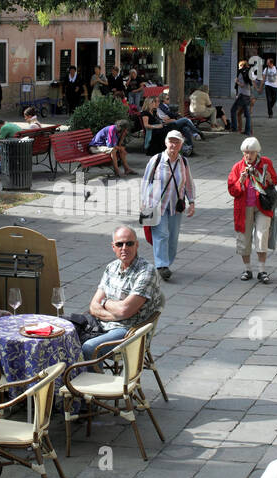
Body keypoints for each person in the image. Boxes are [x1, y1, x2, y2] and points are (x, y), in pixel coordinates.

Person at [77, 225, 165, 358]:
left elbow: (124, 310)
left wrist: (105, 302)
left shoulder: (147, 271)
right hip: (101, 325)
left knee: (90, 348)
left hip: (129, 330)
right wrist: (116, 313)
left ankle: (96, 378)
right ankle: (79, 377)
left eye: (129, 243)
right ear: (113, 247)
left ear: (137, 245)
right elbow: (93, 306)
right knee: (65, 339)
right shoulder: (111, 268)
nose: (124, 248)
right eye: (119, 244)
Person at [141, 131, 196, 281]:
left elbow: (188, 183)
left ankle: (167, 262)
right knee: (162, 234)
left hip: (175, 206)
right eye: (171, 141)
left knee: (172, 237)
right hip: (156, 204)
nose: (173, 144)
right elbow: (146, 181)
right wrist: (143, 202)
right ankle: (162, 265)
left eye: (177, 142)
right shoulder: (157, 159)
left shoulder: (183, 162)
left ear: (181, 145)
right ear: (166, 143)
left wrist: (191, 201)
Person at [227, 136, 277, 283]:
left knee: (262, 235)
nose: (248, 156)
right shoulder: (238, 167)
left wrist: (268, 179)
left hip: (263, 205)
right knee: (244, 237)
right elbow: (232, 190)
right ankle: (247, 269)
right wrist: (240, 181)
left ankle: (262, 270)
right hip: (244, 207)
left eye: (251, 153)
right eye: (245, 153)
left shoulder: (266, 163)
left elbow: (274, 181)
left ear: (257, 152)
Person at [232, 61, 255, 137]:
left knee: (233, 110)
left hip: (242, 95)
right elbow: (251, 85)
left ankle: (235, 128)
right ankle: (248, 131)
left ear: (242, 66)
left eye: (239, 66)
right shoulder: (249, 73)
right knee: (247, 114)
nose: (238, 68)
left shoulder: (241, 73)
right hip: (247, 95)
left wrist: (237, 81)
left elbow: (242, 85)